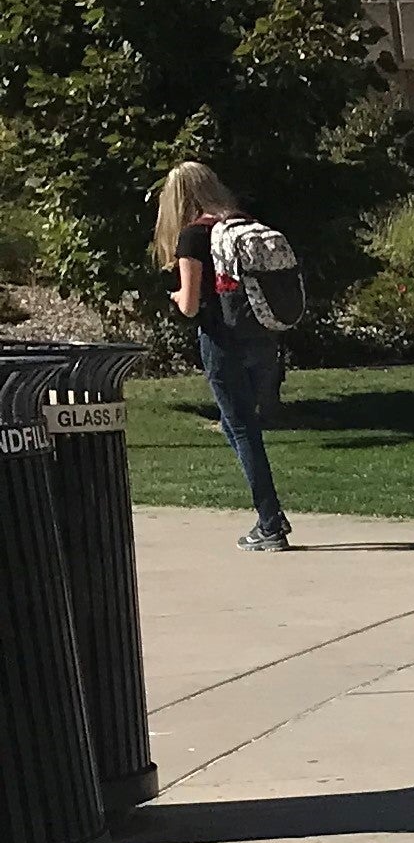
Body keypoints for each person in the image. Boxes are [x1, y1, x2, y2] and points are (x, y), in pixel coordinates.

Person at [154, 161, 293, 551]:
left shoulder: (193, 237)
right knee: (239, 425)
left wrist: (175, 297)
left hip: (221, 339)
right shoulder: (242, 222)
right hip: (263, 336)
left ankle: (270, 523)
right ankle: (270, 514)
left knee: (242, 428)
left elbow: (190, 304)